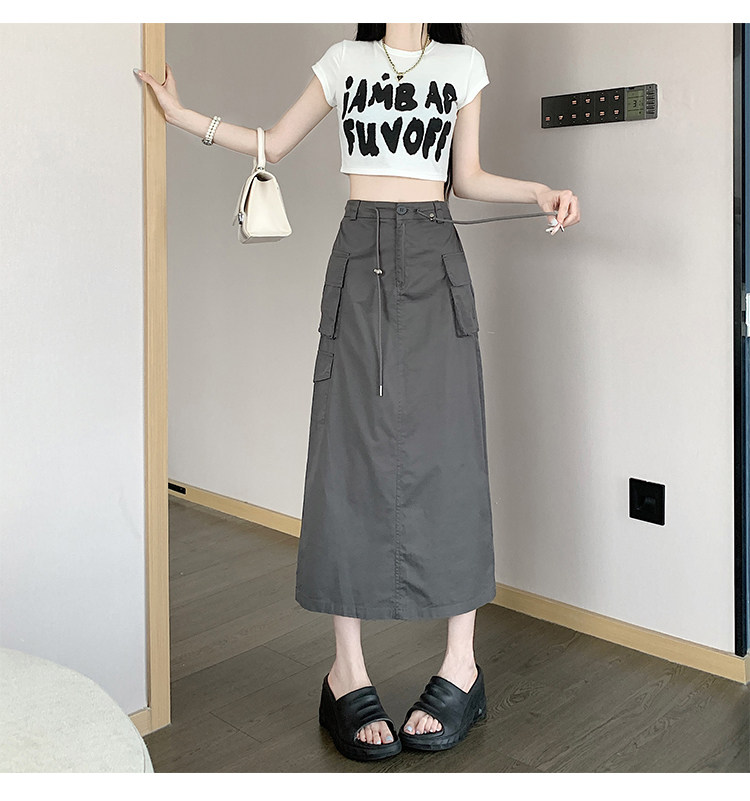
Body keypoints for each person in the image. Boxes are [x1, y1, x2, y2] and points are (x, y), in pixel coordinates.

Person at [135, 22, 580, 763]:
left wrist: (540, 191)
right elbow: (274, 143)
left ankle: (461, 666)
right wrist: (183, 117)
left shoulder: (463, 63)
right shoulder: (346, 61)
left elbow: (466, 177)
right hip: (360, 255)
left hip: (435, 255)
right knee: (346, 456)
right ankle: (346, 669)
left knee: (453, 453)